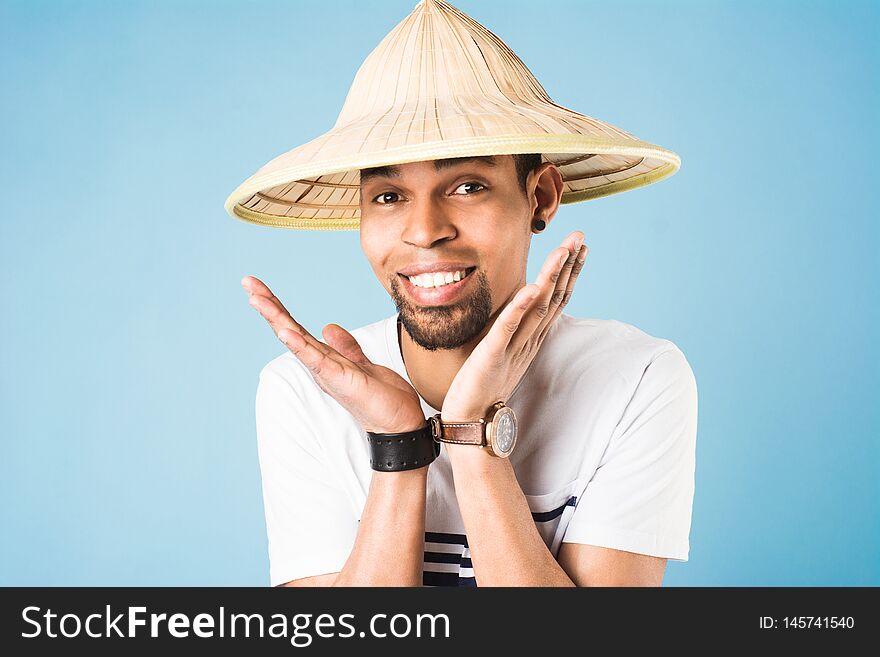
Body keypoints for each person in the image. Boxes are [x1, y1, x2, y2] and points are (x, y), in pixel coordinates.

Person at [226, 0, 697, 587]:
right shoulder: (304, 393)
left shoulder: (635, 378)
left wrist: (474, 436)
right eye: (389, 196)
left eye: (467, 185)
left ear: (541, 197)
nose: (424, 231)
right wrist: (399, 444)